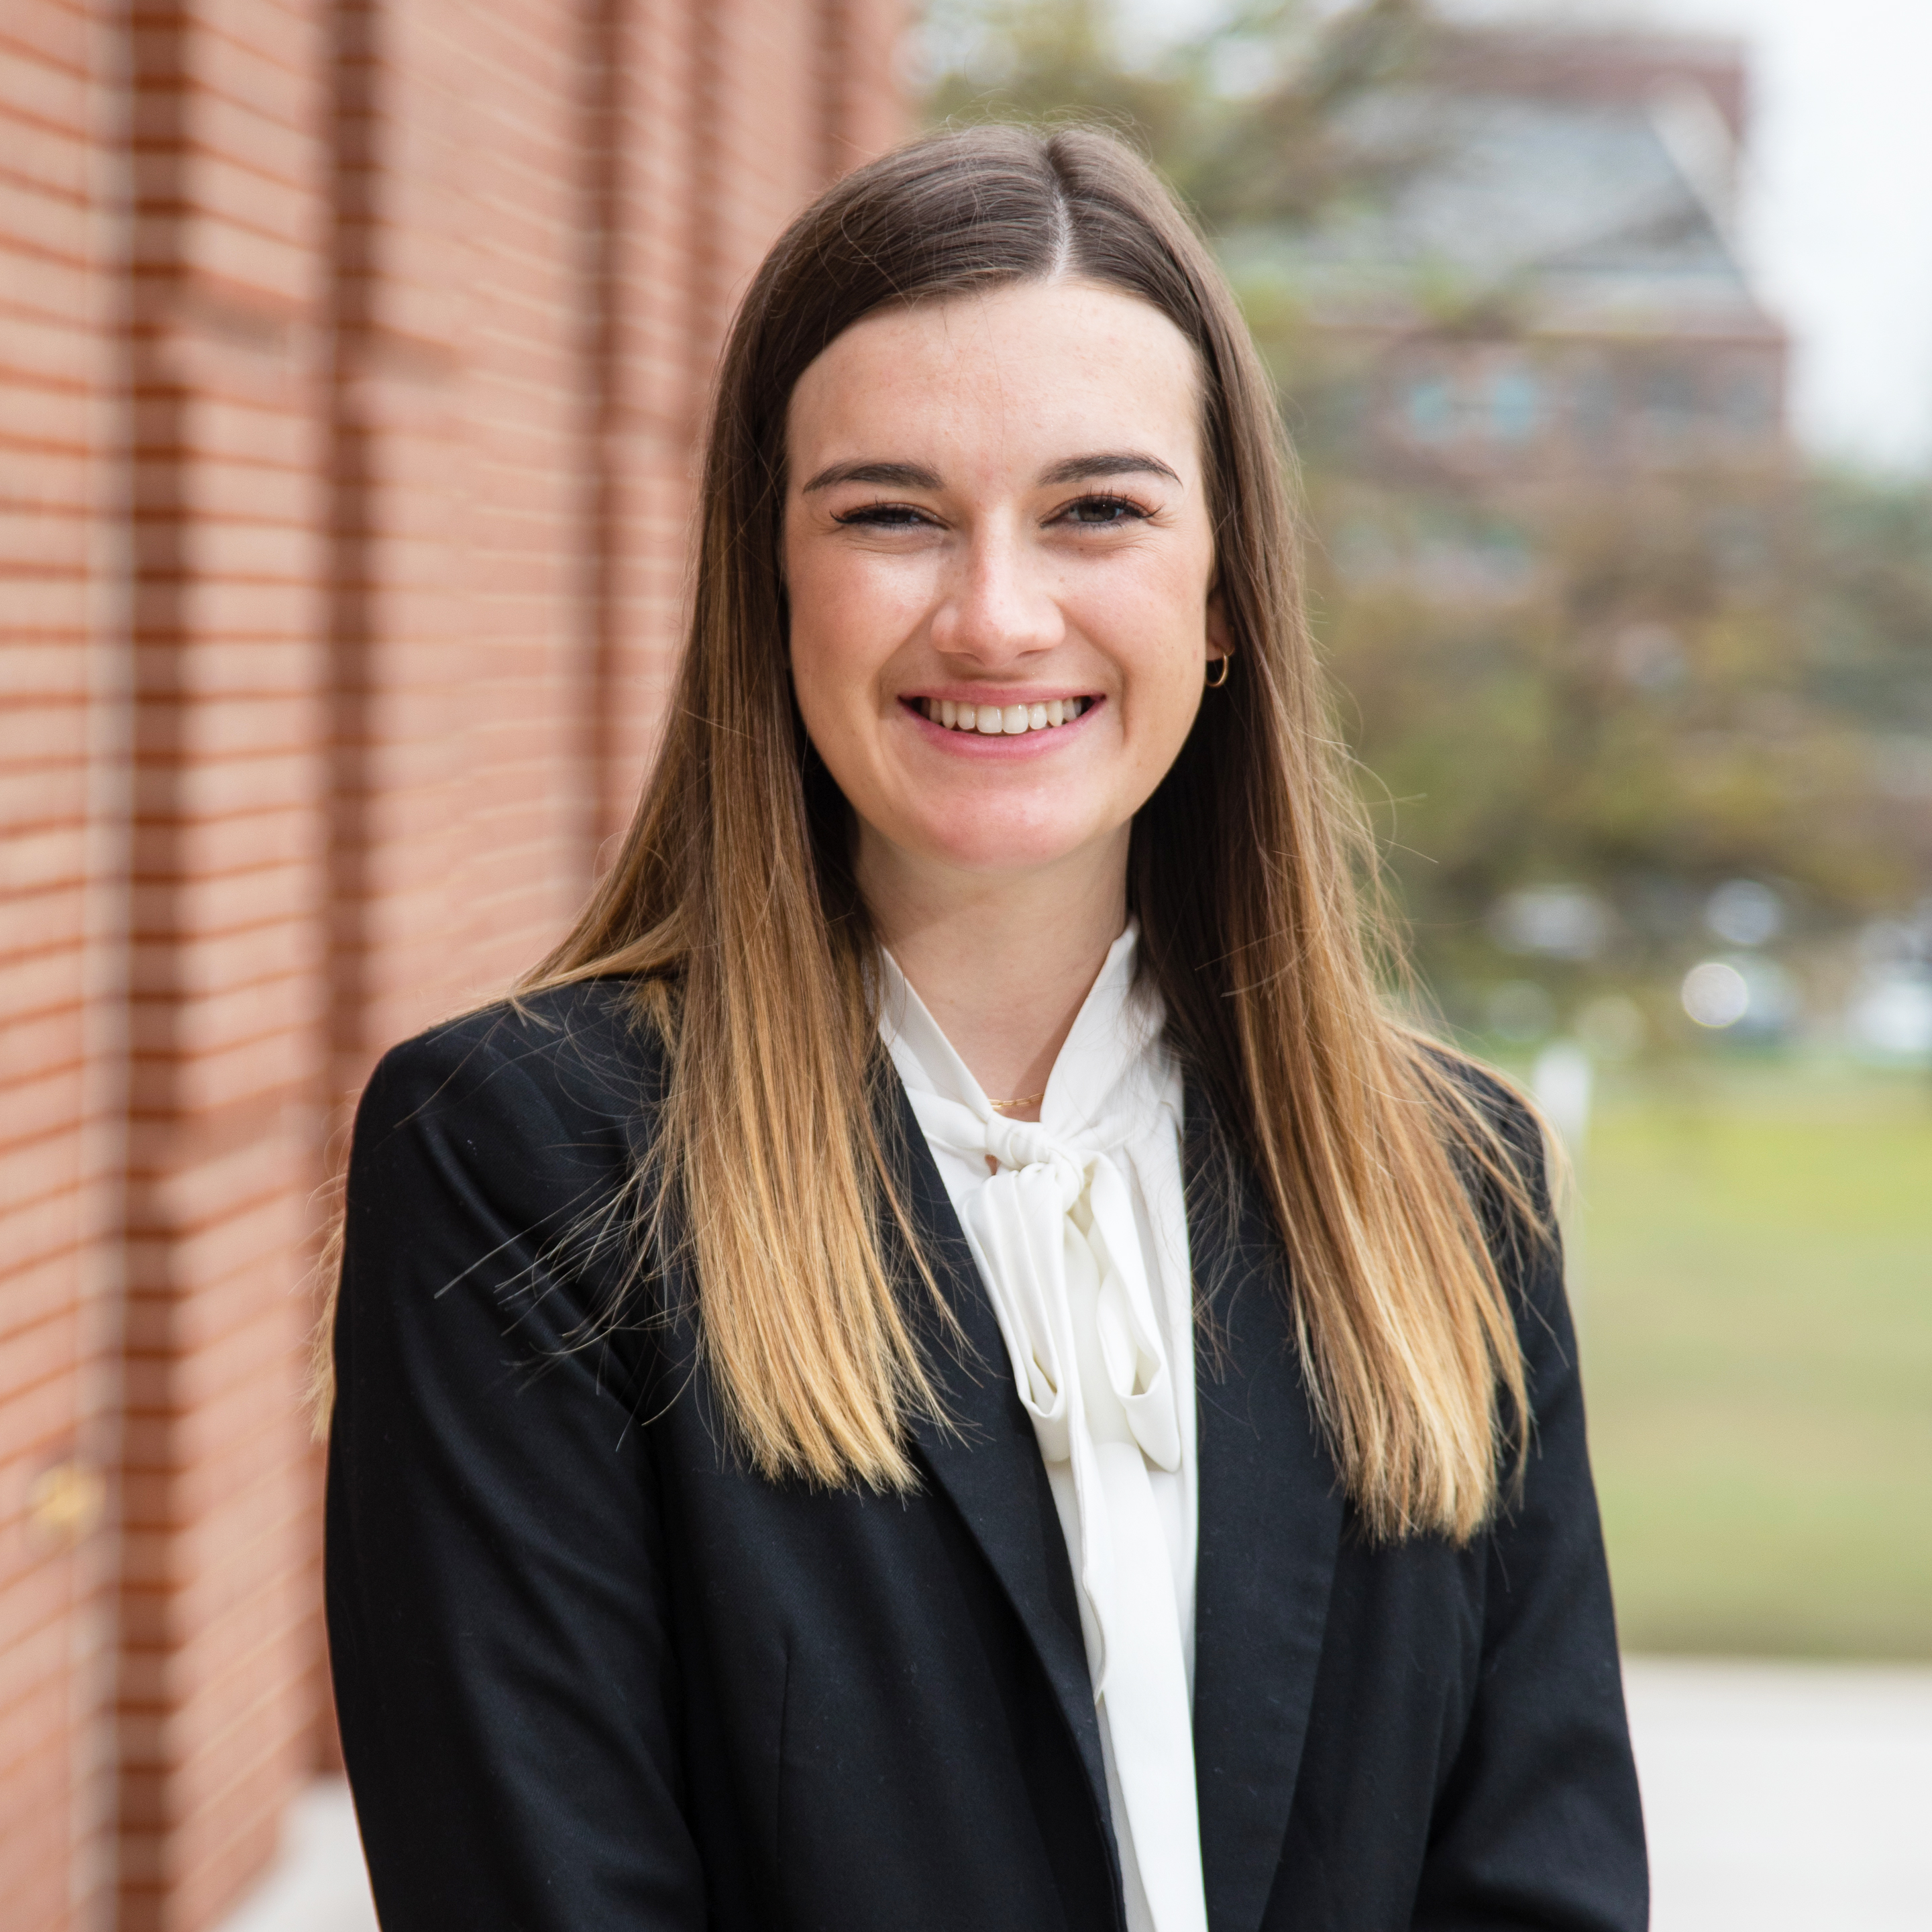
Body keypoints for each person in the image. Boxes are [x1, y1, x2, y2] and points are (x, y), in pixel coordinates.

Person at [323, 124, 1646, 1932]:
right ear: (766, 587)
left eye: (1097, 509)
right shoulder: (522, 1161)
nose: (998, 614)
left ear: (1228, 589)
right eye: (891, 514)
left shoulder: (1449, 1186)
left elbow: (1543, 1889)